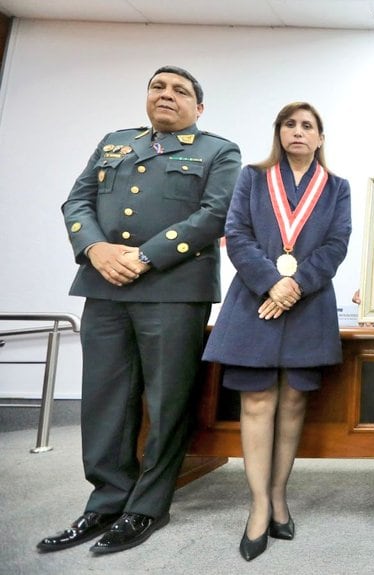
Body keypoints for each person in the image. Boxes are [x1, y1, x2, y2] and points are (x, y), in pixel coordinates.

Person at [40, 66, 241, 555]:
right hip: (104, 285)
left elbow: (215, 215)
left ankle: (147, 505)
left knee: (167, 399)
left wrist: (146, 256)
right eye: (158, 87)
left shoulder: (218, 151)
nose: (166, 95)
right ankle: (106, 500)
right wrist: (95, 250)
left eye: (180, 91)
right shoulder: (115, 142)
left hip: (173, 289)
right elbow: (77, 202)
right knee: (104, 398)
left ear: (199, 107)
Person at [202, 102, 352, 560]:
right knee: (258, 400)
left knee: (292, 403)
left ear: (320, 137)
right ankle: (259, 505)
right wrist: (273, 282)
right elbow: (237, 233)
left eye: (308, 125)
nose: (299, 132)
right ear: (279, 132)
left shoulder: (336, 188)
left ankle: (280, 494)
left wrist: (296, 285)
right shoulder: (252, 176)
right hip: (255, 300)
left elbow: (337, 243)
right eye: (290, 124)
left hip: (307, 305)